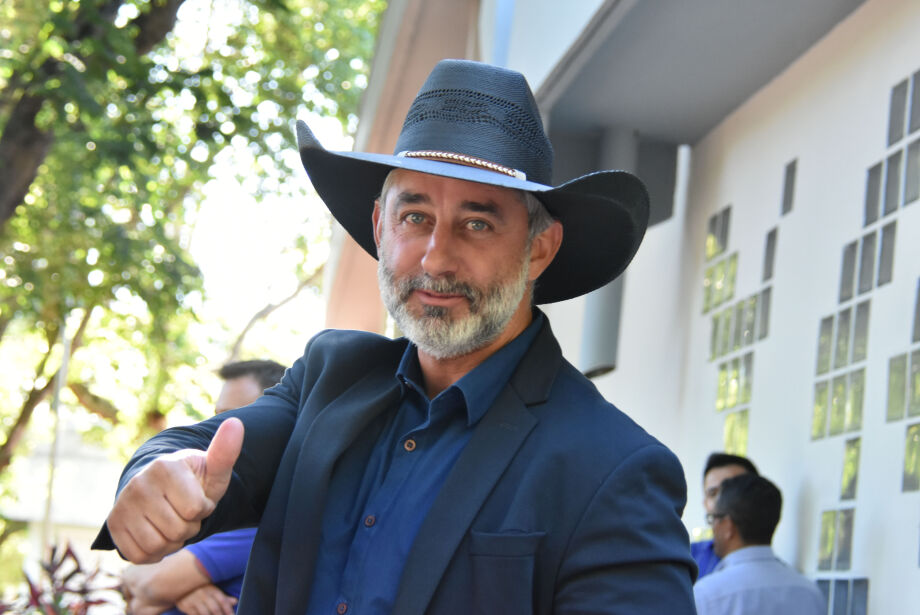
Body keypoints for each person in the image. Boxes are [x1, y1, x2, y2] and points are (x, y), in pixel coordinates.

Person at [93, 59, 697, 614]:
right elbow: (197, 456)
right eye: (415, 217)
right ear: (381, 225)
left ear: (539, 248)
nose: (436, 258)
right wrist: (155, 476)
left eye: (477, 223)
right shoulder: (331, 378)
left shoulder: (614, 469)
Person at [121, 360, 286, 615]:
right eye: (217, 416)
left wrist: (160, 590)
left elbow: (148, 586)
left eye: (234, 418)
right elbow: (133, 581)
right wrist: (184, 591)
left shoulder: (264, 518)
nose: (217, 431)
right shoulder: (210, 505)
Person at [693, 474, 826, 615]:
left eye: (713, 518)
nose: (712, 527)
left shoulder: (705, 596)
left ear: (728, 526)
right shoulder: (810, 594)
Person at [691, 452, 759, 578]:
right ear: (705, 503)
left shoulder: (778, 575)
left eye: (731, 490)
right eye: (713, 493)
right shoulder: (687, 558)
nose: (721, 501)